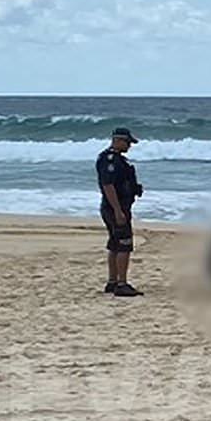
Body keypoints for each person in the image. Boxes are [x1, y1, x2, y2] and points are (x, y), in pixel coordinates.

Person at [96, 127, 144, 296]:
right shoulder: (110, 160)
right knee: (124, 245)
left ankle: (112, 281)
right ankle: (121, 284)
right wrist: (118, 210)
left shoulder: (115, 159)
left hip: (116, 207)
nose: (129, 146)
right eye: (127, 142)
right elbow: (108, 186)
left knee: (115, 245)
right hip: (115, 208)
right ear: (117, 140)